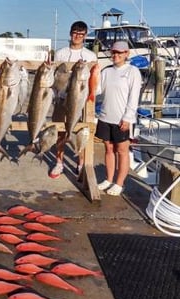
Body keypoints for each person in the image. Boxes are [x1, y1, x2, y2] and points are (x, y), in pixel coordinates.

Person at [50, 21, 97, 179]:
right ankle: (59, 161)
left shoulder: (90, 56)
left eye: (81, 34)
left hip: (80, 99)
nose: (77, 36)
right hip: (62, 98)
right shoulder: (61, 53)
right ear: (70, 33)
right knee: (60, 131)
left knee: (81, 131)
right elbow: (56, 78)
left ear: (85, 36)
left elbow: (94, 81)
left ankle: (81, 161)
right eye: (75, 33)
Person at [95, 41, 142, 196]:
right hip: (105, 117)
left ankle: (119, 183)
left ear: (126, 54)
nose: (116, 55)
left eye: (119, 53)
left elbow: (134, 97)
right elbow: (97, 90)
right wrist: (92, 75)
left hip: (122, 119)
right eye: (114, 52)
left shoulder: (133, 71)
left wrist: (128, 118)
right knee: (108, 148)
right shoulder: (106, 71)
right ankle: (108, 179)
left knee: (122, 150)